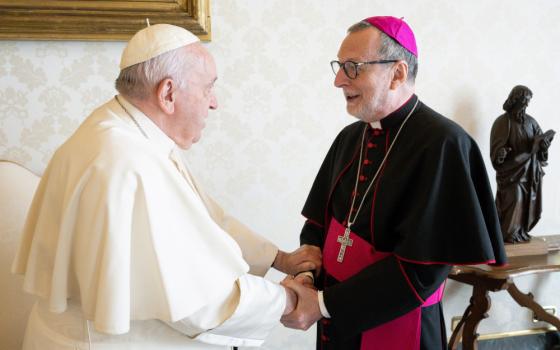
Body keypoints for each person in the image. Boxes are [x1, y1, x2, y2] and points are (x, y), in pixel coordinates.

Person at [12, 24, 321, 350]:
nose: (214, 103)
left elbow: (205, 217)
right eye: (208, 89)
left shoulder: (124, 129)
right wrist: (286, 299)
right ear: (168, 93)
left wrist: (279, 258)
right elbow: (200, 301)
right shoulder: (127, 159)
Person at [280, 16, 507, 350]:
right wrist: (306, 275)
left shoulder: (443, 144)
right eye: (339, 67)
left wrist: (326, 304)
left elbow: (422, 272)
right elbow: (318, 226)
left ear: (397, 73)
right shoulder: (350, 137)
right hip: (336, 322)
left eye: (353, 67)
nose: (339, 81)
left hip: (399, 326)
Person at [490, 85, 555, 243]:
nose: (526, 105)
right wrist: (500, 154)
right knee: (516, 199)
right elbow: (496, 150)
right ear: (515, 100)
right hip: (511, 173)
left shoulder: (531, 122)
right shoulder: (502, 122)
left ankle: (520, 233)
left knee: (527, 204)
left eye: (528, 102)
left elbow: (540, 148)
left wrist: (544, 147)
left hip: (529, 172)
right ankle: (508, 234)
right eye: (524, 101)